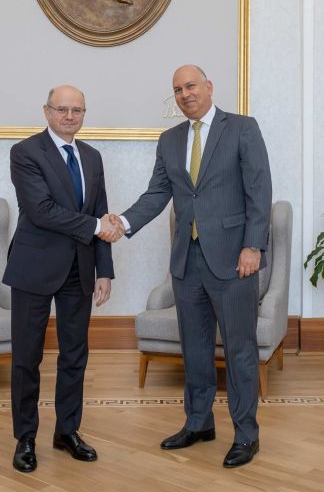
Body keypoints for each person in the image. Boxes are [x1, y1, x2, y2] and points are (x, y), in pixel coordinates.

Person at [110, 64, 271, 468]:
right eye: (178, 90)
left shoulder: (242, 128)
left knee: (239, 350)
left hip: (234, 259)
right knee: (195, 350)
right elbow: (156, 194)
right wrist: (123, 223)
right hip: (187, 260)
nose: (185, 94)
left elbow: (259, 191)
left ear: (209, 86)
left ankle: (246, 434)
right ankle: (199, 423)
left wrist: (253, 246)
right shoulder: (169, 140)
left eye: (191, 86)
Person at [2, 85, 122, 473]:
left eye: (77, 110)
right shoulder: (25, 152)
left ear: (84, 114)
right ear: (47, 112)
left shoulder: (92, 157)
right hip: (34, 267)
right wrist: (96, 226)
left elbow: (101, 211)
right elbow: (41, 210)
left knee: (75, 355)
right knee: (27, 357)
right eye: (62, 109)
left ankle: (67, 431)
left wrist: (104, 270)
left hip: (79, 270)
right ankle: (25, 437)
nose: (69, 116)